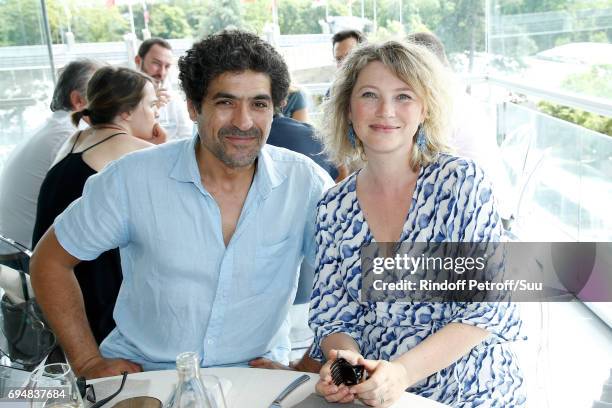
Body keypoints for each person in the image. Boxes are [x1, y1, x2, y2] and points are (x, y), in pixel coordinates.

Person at [30, 29, 333, 379]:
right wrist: (86, 362)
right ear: (192, 107)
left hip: (257, 378)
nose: (244, 121)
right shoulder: (132, 179)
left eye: (259, 104)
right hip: (150, 376)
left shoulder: (304, 183)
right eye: (225, 102)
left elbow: (348, 278)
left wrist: (310, 364)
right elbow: (49, 262)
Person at [309, 41, 526, 406]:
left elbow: (486, 307)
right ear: (348, 108)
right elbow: (332, 317)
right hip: (376, 395)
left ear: (425, 109)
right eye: (369, 95)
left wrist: (402, 374)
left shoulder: (459, 184)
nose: (386, 111)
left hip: (471, 392)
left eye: (404, 96)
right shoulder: (334, 206)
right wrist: (345, 364)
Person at [31, 66, 162, 344]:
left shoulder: (75, 138)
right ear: (126, 112)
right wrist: (163, 144)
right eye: (151, 105)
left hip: (55, 281)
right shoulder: (133, 149)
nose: (156, 114)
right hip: (91, 292)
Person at [406, 31, 513, 221]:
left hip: (487, 215)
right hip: (487, 201)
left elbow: (424, 168)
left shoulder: (444, 105)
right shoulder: (455, 93)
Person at [0, 59, 102, 249]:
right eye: (103, 95)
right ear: (78, 100)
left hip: (13, 248)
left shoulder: (54, 128)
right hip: (25, 256)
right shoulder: (70, 137)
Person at [135, 37, 192, 140]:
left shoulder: (174, 99)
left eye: (167, 66)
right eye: (156, 63)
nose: (162, 73)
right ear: (138, 61)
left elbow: (186, 137)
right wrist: (148, 106)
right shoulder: (123, 98)